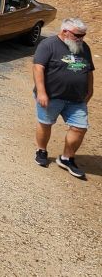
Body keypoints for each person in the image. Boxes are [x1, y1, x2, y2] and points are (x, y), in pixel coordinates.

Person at [33, 18, 94, 178]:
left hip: (76, 99)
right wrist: (41, 92)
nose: (81, 38)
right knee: (46, 124)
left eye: (83, 35)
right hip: (52, 96)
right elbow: (38, 68)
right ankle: (42, 150)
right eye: (78, 35)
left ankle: (67, 158)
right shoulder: (48, 45)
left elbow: (88, 70)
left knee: (80, 128)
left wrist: (90, 90)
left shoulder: (83, 47)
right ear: (64, 31)